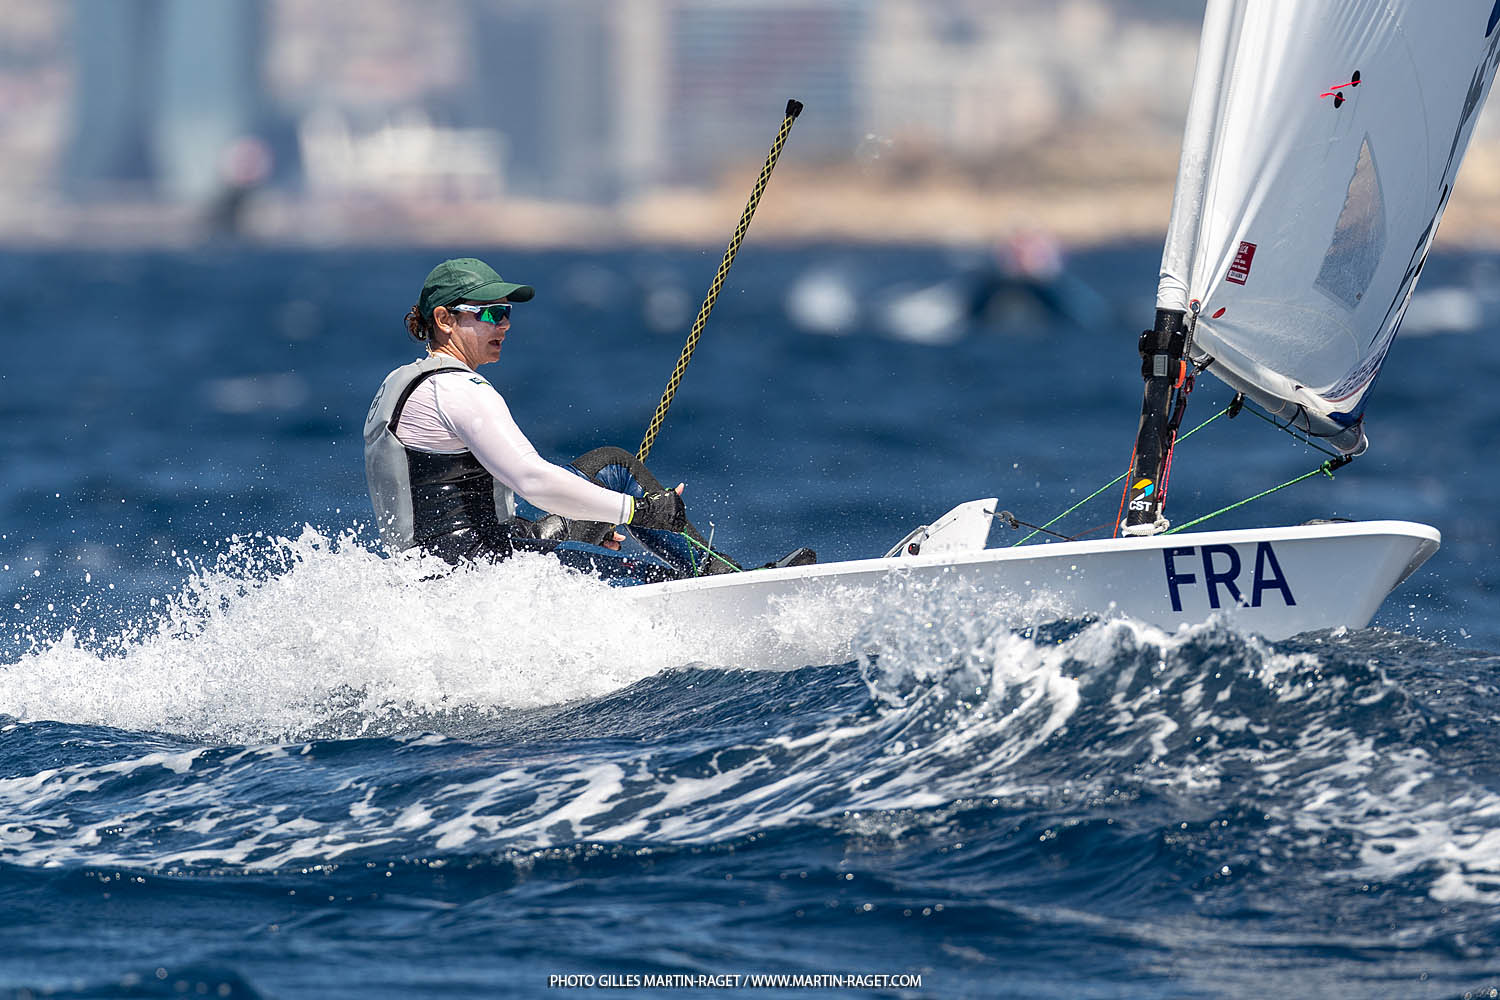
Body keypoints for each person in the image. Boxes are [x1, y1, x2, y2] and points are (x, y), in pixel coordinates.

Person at [364, 257, 791, 582]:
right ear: (444, 320)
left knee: (612, 467)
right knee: (653, 579)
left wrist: (597, 517)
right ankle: (723, 583)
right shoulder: (457, 390)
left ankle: (719, 574)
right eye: (490, 314)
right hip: (477, 578)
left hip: (457, 563)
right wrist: (640, 512)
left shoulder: (402, 383)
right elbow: (532, 480)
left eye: (507, 312)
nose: (504, 325)